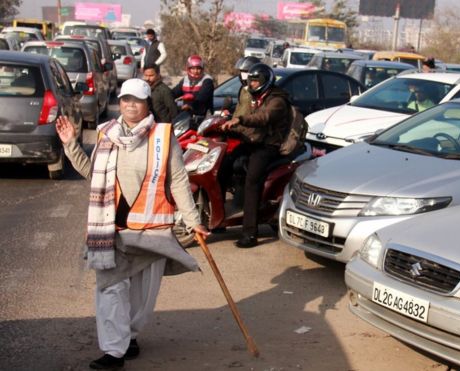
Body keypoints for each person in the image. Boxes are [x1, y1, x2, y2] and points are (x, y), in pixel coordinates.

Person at [54, 78, 210, 370]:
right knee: (110, 289)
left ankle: (130, 335)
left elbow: (177, 180)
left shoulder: (163, 137)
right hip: (112, 231)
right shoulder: (107, 134)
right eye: (125, 99)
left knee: (141, 297)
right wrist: (71, 145)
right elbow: (92, 173)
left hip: (151, 232)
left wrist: (193, 221)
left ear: (147, 103)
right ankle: (114, 351)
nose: (129, 105)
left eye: (136, 100)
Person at [221, 63, 292, 248]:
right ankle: (219, 220)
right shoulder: (257, 97)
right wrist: (228, 125)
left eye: (255, 81)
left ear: (265, 81)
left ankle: (250, 233)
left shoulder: (277, 101)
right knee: (224, 165)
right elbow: (247, 124)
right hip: (253, 142)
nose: (252, 84)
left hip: (269, 146)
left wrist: (241, 119)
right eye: (250, 81)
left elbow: (262, 118)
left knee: (252, 181)